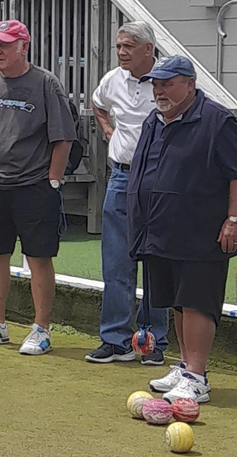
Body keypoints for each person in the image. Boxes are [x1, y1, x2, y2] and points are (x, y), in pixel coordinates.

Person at [0, 19, 78, 355]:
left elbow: (63, 138)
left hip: (33, 185)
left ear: (23, 46)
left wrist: (52, 180)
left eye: (5, 44)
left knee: (38, 257)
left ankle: (41, 329)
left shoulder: (46, 84)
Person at [128, 56, 237, 404]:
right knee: (177, 302)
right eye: (156, 84)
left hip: (202, 228)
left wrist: (233, 219)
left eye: (168, 83)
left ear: (189, 83)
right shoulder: (153, 121)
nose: (160, 90)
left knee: (197, 302)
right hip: (160, 227)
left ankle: (197, 376)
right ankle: (186, 365)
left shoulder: (218, 122)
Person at [86, 22, 169, 366]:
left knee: (156, 261)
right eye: (118, 46)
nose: (121, 52)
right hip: (121, 176)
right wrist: (107, 129)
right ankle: (115, 339)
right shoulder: (111, 79)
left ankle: (153, 341)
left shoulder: (167, 79)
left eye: (128, 47)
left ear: (148, 49)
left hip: (159, 180)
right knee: (117, 259)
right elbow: (97, 103)